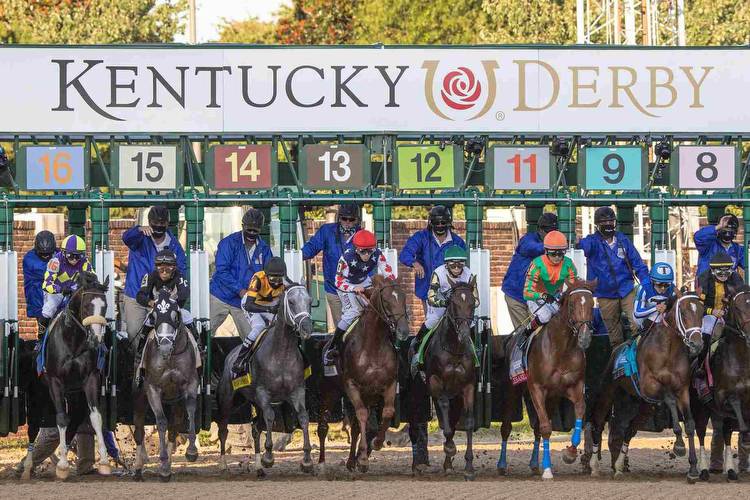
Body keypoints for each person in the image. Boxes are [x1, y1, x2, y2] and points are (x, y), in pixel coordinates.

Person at [695, 250, 746, 473]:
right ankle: (699, 365)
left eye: (728, 270)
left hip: (732, 317)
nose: (724, 274)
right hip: (710, 316)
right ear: (713, 271)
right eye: (720, 271)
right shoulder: (704, 278)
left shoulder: (737, 278)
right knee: (707, 334)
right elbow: (698, 304)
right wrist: (713, 310)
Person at [577, 206, 651, 347]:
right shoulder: (592, 241)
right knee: (614, 333)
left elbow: (638, 264)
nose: (608, 225)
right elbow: (583, 246)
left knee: (638, 322)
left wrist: (647, 286)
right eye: (604, 223)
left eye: (611, 222)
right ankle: (619, 361)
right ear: (597, 225)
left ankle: (638, 353)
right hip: (605, 294)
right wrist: (577, 242)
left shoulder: (623, 240)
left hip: (627, 289)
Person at [322, 229, 396, 366]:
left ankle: (392, 343)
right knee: (353, 312)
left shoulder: (377, 254)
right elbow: (338, 281)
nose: (367, 255)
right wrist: (353, 288)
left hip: (363, 281)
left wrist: (388, 285)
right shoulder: (346, 257)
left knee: (377, 308)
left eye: (370, 251)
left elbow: (389, 273)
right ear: (356, 249)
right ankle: (333, 347)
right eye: (363, 251)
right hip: (346, 285)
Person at [121, 206, 186, 341]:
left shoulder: (174, 245)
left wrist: (171, 292)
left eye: (162, 223)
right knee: (134, 333)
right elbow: (126, 238)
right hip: (136, 294)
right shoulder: (140, 239)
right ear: (149, 222)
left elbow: (181, 270)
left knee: (165, 334)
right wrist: (138, 229)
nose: (158, 226)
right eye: (155, 223)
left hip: (163, 298)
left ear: (167, 223)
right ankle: (137, 360)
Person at [410, 246, 476, 377]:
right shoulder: (438, 273)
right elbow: (431, 296)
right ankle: (418, 350)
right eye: (453, 266)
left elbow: (476, 298)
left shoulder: (469, 274)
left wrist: (467, 305)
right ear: (447, 265)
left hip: (460, 309)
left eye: (460, 265)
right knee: (431, 322)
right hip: (440, 306)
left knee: (472, 325)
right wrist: (445, 303)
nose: (457, 269)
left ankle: (475, 355)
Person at [133, 249, 199, 376]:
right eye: (160, 267)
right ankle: (140, 350)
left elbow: (185, 292)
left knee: (187, 315)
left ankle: (198, 343)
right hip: (158, 309)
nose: (164, 271)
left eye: (168, 267)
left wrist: (173, 300)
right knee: (148, 319)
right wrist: (150, 303)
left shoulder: (179, 276)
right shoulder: (151, 276)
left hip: (174, 308)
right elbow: (140, 295)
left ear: (174, 267)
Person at [210, 208, 272, 339]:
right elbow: (222, 270)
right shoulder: (228, 243)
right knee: (204, 332)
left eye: (255, 231)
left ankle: (248, 359)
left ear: (260, 229)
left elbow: (267, 275)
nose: (251, 233)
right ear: (243, 226)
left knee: (253, 337)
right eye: (249, 229)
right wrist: (240, 290)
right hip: (220, 296)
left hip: (245, 301)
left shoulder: (264, 248)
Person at [302, 203, 361, 328]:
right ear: (339, 218)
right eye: (344, 218)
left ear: (357, 220)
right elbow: (312, 247)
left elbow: (371, 260)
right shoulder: (327, 231)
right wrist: (297, 255)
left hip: (355, 290)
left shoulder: (362, 235)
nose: (347, 222)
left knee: (357, 328)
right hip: (334, 289)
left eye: (351, 219)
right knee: (342, 327)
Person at [399, 205, 466, 313]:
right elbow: (405, 253)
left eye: (443, 223)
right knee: (431, 320)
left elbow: (464, 263)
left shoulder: (457, 242)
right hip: (427, 287)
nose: (440, 225)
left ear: (448, 223)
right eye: (436, 223)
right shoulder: (421, 237)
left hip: (451, 288)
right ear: (431, 223)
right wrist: (414, 263)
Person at [516, 230, 578, 344]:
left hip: (555, 298)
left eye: (561, 253)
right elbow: (527, 293)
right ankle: (526, 333)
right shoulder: (537, 264)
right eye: (553, 254)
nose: (557, 257)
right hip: (535, 297)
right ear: (546, 251)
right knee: (545, 316)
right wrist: (543, 295)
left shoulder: (569, 264)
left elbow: (573, 287)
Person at [233, 257, 290, 373]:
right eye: (273, 278)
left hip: (270, 303)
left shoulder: (285, 281)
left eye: (279, 279)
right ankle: (240, 359)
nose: (276, 282)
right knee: (259, 327)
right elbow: (249, 305)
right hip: (253, 304)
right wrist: (269, 309)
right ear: (266, 275)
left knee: (284, 326)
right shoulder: (258, 278)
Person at [502, 212, 558, 330]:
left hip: (535, 296)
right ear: (539, 230)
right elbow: (535, 248)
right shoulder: (527, 240)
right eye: (548, 231)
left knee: (540, 331)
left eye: (554, 231)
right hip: (516, 295)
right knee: (524, 332)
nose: (550, 234)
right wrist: (556, 245)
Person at [40, 235, 93, 332]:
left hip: (75, 292)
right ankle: (40, 339)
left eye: (78, 256)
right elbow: (46, 285)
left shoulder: (85, 262)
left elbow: (92, 280)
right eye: (70, 255)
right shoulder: (55, 261)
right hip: (57, 293)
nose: (74, 259)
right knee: (48, 310)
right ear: (63, 253)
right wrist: (61, 289)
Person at [23, 231, 56, 336]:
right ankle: (41, 341)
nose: (46, 256)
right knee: (45, 327)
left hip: (56, 298)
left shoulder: (59, 254)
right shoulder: (29, 259)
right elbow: (47, 272)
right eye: (42, 254)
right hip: (38, 299)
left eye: (48, 254)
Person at [694, 213, 744, 278]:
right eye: (724, 228)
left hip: (725, 286)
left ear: (735, 231)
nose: (727, 232)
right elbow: (698, 237)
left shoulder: (738, 249)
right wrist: (718, 226)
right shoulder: (708, 245)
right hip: (706, 285)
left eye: (731, 229)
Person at [632, 262, 676, 333]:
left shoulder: (672, 288)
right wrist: (655, 308)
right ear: (652, 281)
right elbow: (637, 313)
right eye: (659, 284)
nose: (663, 288)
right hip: (644, 319)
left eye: (667, 285)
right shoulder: (644, 287)